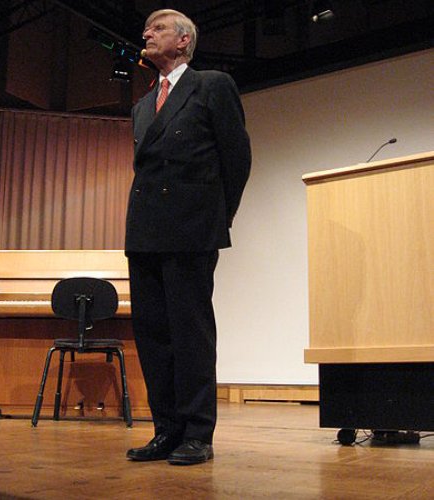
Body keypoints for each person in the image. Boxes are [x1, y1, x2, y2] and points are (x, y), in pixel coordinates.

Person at [125, 9, 251, 466]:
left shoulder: (212, 85)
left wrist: (216, 217)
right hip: (144, 231)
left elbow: (237, 158)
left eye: (157, 28)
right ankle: (167, 430)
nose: (147, 33)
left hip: (191, 228)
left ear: (183, 41)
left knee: (190, 334)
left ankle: (197, 433)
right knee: (153, 336)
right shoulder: (142, 105)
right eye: (146, 28)